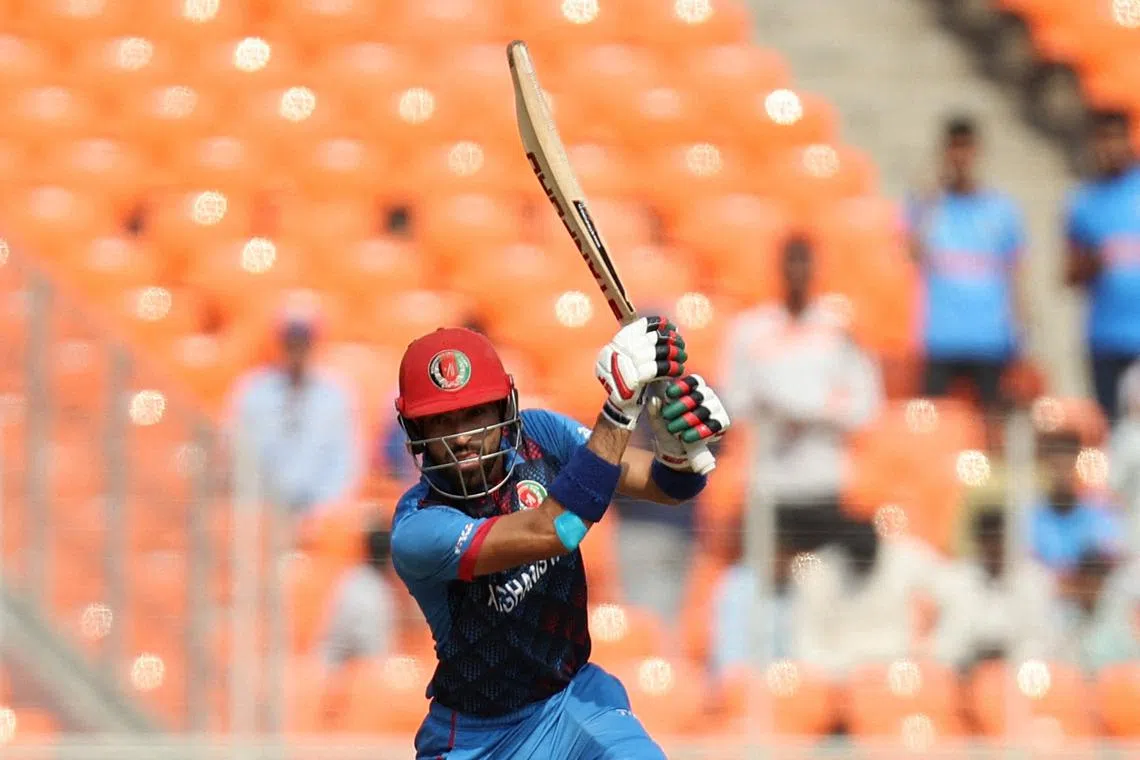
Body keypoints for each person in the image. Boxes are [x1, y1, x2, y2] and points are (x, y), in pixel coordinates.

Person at [388, 321, 731, 759]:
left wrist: (678, 452)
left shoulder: (540, 436)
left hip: (573, 702)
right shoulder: (418, 528)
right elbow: (557, 530)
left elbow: (666, 487)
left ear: (502, 408)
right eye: (441, 421)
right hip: (478, 739)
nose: (461, 437)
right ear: (416, 432)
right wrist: (620, 411)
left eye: (474, 413)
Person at [722, 236, 882, 544]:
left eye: (803, 261)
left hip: (822, 479)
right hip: (768, 481)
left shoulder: (839, 330)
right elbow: (732, 399)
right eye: (791, 262)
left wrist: (815, 415)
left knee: (818, 578)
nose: (797, 271)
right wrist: (770, 413)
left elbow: (867, 405)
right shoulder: (750, 329)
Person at [907, 116, 1027, 429]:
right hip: (941, 337)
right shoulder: (928, 206)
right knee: (933, 426)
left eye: (966, 148)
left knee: (991, 425)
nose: (960, 157)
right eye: (953, 149)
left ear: (977, 152)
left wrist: (1022, 329)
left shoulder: (1001, 209)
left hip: (990, 337)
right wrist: (927, 199)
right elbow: (911, 255)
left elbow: (1015, 274)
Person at [230, 303, 360, 515]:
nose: (297, 349)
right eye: (291, 342)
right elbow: (238, 452)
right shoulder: (253, 390)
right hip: (263, 508)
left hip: (319, 509)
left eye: (303, 342)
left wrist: (322, 511)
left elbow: (345, 463)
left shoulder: (336, 394)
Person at [1064, 109, 1140, 423]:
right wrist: (1093, 262)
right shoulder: (1085, 201)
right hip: (1105, 338)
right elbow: (1069, 275)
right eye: (1103, 140)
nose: (1109, 148)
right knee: (1111, 428)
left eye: (1115, 139)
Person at [933, 510, 1057, 672]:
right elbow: (947, 642)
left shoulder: (1034, 579)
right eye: (988, 540)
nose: (994, 547)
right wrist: (976, 656)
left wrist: (1007, 658)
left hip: (1018, 676)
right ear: (978, 542)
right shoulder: (956, 579)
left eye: (999, 539)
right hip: (969, 674)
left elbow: (1042, 639)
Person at [1028, 429, 1123, 572]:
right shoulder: (1029, 517)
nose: (1062, 474)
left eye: (1067, 466)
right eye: (1056, 467)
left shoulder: (1098, 512)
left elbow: (1112, 558)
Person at [319, 523, 396, 669]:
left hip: (342, 668)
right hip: (342, 674)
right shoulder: (371, 594)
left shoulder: (354, 578)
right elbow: (373, 656)